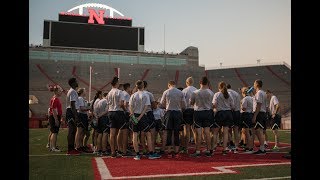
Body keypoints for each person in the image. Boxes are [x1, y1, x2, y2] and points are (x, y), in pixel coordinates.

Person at [129, 80, 156, 160]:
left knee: (135, 134)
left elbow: (130, 106)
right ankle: (151, 153)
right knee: (148, 134)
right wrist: (140, 117)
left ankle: (137, 154)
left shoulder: (133, 95)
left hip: (135, 115)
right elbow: (146, 107)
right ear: (143, 86)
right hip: (142, 115)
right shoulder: (145, 94)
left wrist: (133, 116)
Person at [160, 80, 186, 158]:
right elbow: (184, 105)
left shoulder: (166, 92)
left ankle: (169, 151)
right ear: (175, 85)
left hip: (169, 112)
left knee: (169, 132)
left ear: (169, 85)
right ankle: (176, 151)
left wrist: (166, 106)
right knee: (176, 132)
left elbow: (161, 104)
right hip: (177, 112)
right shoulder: (180, 92)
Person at [190, 76, 214, 157]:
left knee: (198, 133)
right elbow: (212, 104)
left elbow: (191, 103)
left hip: (198, 113)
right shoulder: (211, 92)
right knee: (207, 132)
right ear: (207, 83)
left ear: (200, 83)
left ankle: (197, 151)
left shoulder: (195, 92)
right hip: (207, 112)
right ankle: (209, 150)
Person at [212, 81, 234, 155]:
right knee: (225, 133)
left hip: (220, 113)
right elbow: (232, 106)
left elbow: (214, 105)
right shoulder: (229, 94)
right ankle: (224, 149)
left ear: (219, 87)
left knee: (215, 132)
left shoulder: (217, 94)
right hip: (228, 113)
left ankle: (212, 148)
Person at [106, 76, 126, 158]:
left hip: (111, 112)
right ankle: (122, 150)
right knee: (123, 131)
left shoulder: (109, 93)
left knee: (112, 133)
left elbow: (108, 104)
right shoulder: (120, 92)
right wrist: (124, 109)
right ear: (117, 83)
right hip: (118, 112)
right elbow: (121, 104)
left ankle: (113, 151)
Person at [181, 77, 197, 154]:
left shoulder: (184, 90)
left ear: (186, 82)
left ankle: (186, 148)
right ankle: (197, 148)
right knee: (195, 130)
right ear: (193, 82)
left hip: (187, 110)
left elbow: (182, 103)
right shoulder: (196, 90)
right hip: (194, 110)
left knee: (186, 130)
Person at [252, 79, 268, 155]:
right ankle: (262, 148)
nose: (253, 85)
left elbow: (258, 105)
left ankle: (262, 149)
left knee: (259, 131)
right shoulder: (263, 93)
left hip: (259, 113)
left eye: (254, 83)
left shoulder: (259, 93)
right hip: (263, 113)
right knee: (259, 131)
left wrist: (255, 115)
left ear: (257, 84)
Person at [65, 78, 81, 155]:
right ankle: (70, 149)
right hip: (71, 112)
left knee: (73, 131)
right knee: (72, 131)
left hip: (71, 111)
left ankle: (71, 148)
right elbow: (72, 104)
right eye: (76, 81)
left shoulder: (72, 91)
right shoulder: (73, 91)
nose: (77, 82)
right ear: (73, 83)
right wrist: (76, 116)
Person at [227, 84, 241, 153]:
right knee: (236, 130)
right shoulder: (237, 93)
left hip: (231, 112)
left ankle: (231, 144)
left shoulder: (228, 93)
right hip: (237, 112)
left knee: (228, 129)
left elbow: (230, 103)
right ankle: (236, 146)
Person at [48, 85, 63, 152]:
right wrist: (56, 119)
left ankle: (52, 146)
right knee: (54, 132)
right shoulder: (55, 99)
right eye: (60, 91)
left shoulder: (56, 98)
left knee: (54, 132)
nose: (61, 92)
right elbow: (53, 110)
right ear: (56, 91)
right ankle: (53, 147)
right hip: (54, 117)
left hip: (55, 116)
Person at [75, 88, 90, 152]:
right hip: (81, 115)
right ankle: (78, 146)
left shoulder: (82, 98)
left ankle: (80, 145)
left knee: (82, 132)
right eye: (84, 90)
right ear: (82, 92)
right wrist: (89, 108)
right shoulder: (80, 98)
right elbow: (81, 108)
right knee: (79, 132)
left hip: (83, 115)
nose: (85, 91)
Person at [240, 87, 254, 153]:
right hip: (251, 114)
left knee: (247, 132)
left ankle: (249, 147)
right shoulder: (251, 98)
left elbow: (243, 108)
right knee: (249, 132)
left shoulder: (245, 98)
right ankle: (250, 146)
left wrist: (241, 104)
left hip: (246, 115)